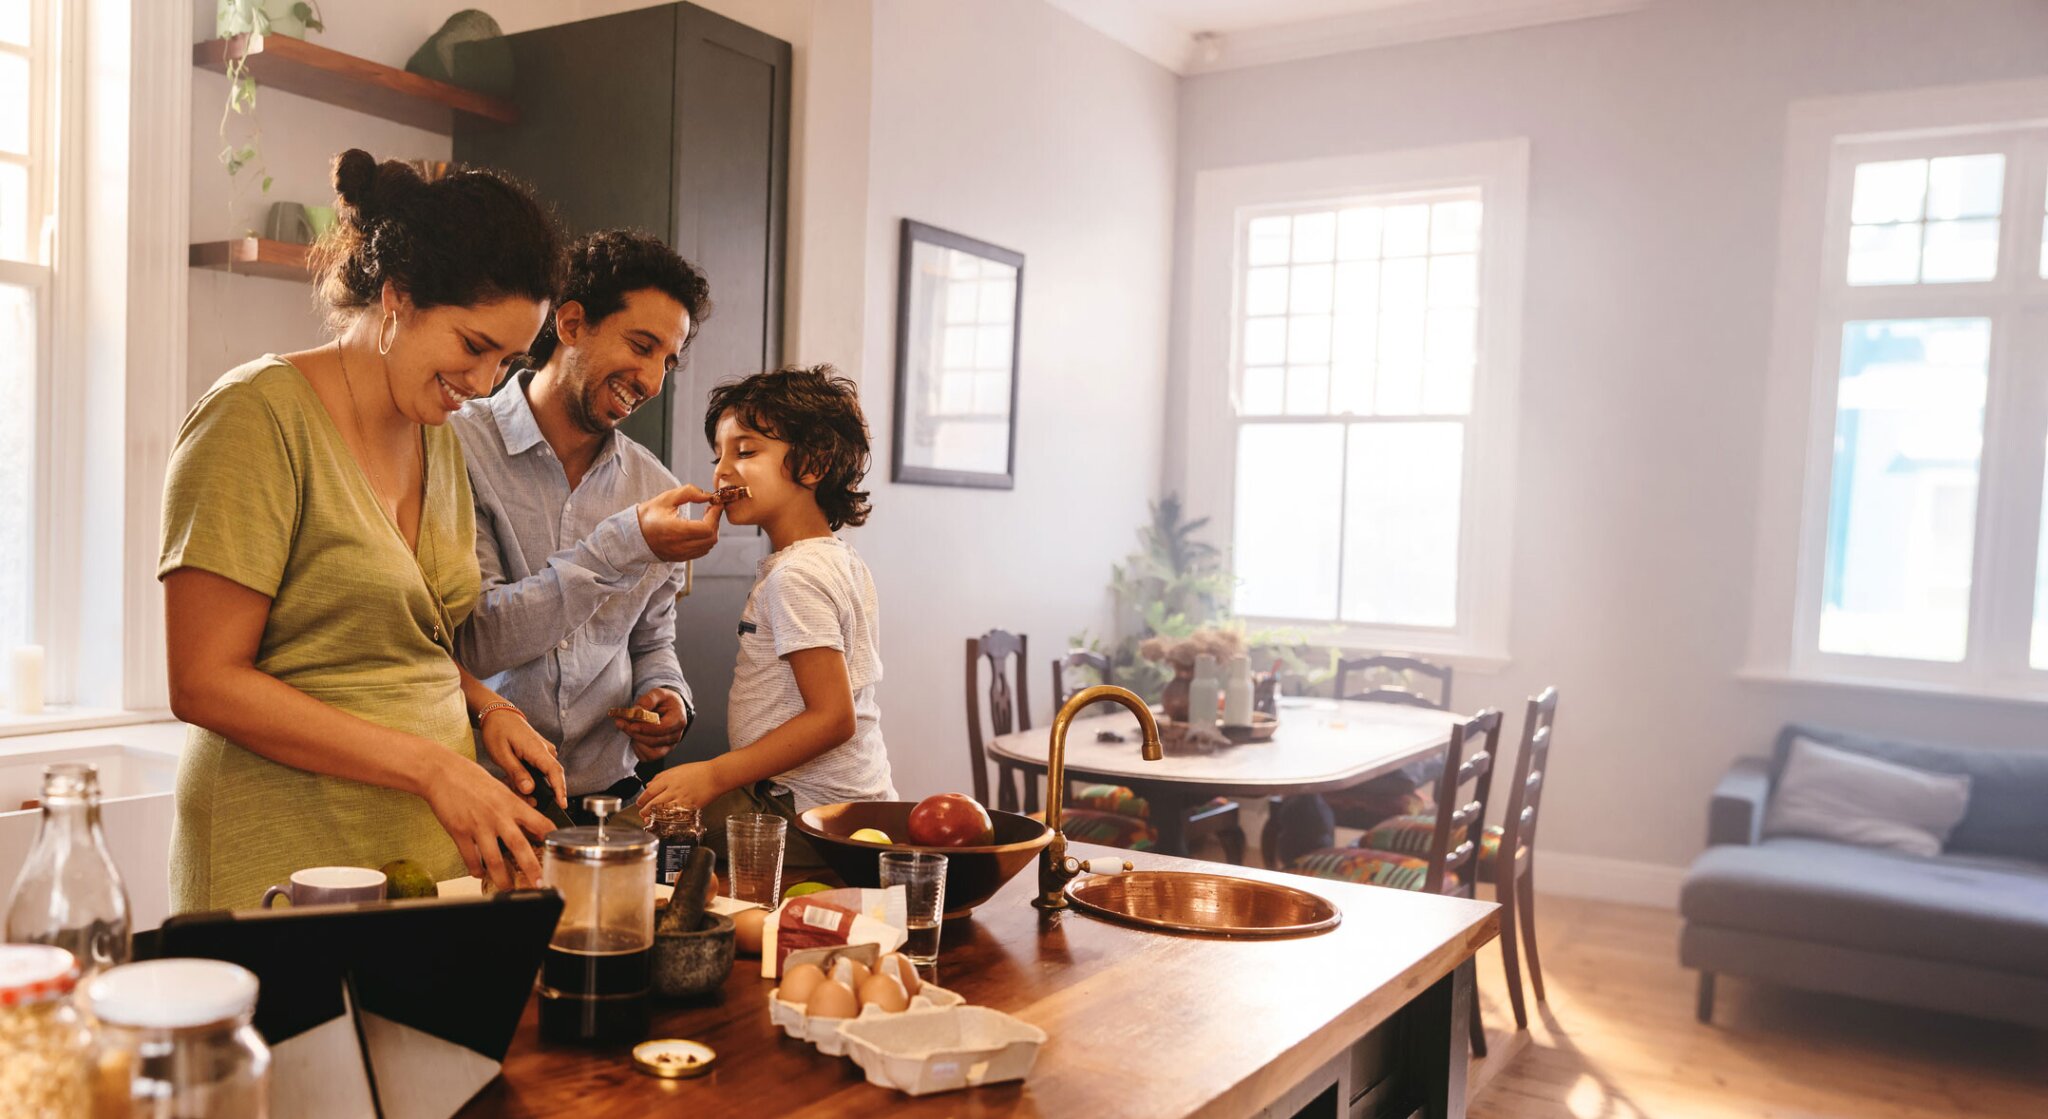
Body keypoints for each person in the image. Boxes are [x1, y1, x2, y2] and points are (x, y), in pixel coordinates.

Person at [160, 150, 569, 910]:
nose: (484, 385)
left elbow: (391, 638)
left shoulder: (438, 435)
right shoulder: (255, 417)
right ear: (397, 295)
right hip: (281, 863)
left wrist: (486, 705)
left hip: (422, 864)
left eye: (508, 360)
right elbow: (203, 680)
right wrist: (433, 768)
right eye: (473, 345)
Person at [453, 230, 720, 825]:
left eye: (667, 362)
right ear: (571, 323)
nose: (652, 381)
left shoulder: (653, 486)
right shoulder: (457, 446)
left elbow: (651, 641)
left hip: (609, 800)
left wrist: (670, 700)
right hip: (483, 799)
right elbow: (476, 639)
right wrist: (626, 543)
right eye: (642, 345)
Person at [638, 365, 894, 865]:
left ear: (813, 465)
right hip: (834, 805)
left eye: (747, 451)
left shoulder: (794, 576)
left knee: (635, 842)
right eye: (719, 455)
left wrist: (712, 775)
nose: (722, 471)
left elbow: (833, 718)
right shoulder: (834, 557)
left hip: (801, 811)